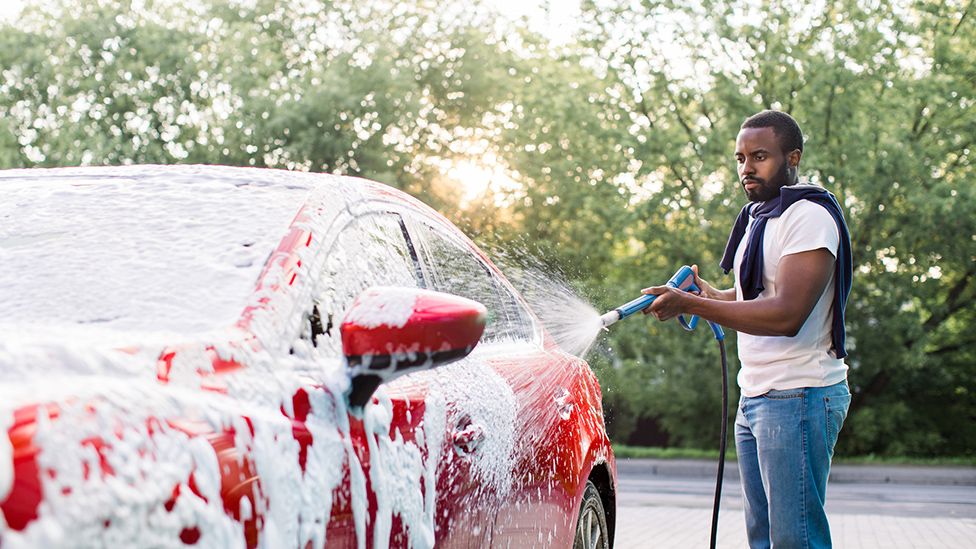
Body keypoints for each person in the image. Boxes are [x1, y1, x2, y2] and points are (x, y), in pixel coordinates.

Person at [643, 110, 853, 548]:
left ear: (792, 157)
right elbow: (751, 298)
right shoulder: (760, 217)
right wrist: (704, 293)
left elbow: (785, 315)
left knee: (795, 540)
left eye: (759, 156)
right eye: (740, 158)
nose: (746, 168)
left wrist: (692, 304)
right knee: (762, 537)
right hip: (756, 394)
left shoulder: (808, 217)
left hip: (799, 393)